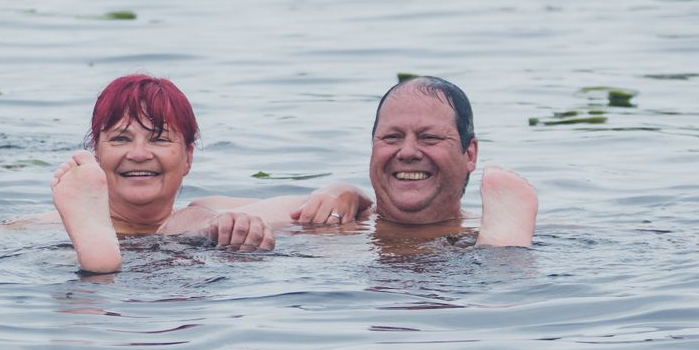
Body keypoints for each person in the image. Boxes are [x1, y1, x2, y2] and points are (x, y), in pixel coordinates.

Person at [49, 72, 370, 272]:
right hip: (177, 270)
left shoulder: (208, 210)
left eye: (159, 139)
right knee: (195, 219)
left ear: (188, 156)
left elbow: (310, 208)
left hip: (99, 278)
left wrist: (343, 192)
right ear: (97, 156)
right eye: (121, 139)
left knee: (197, 216)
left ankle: (101, 264)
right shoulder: (55, 223)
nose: (138, 154)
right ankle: (100, 261)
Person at [366, 76, 537, 247]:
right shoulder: (344, 224)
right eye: (392, 137)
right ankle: (504, 254)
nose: (407, 152)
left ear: (470, 154)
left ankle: (504, 254)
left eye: (429, 137)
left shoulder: (481, 229)